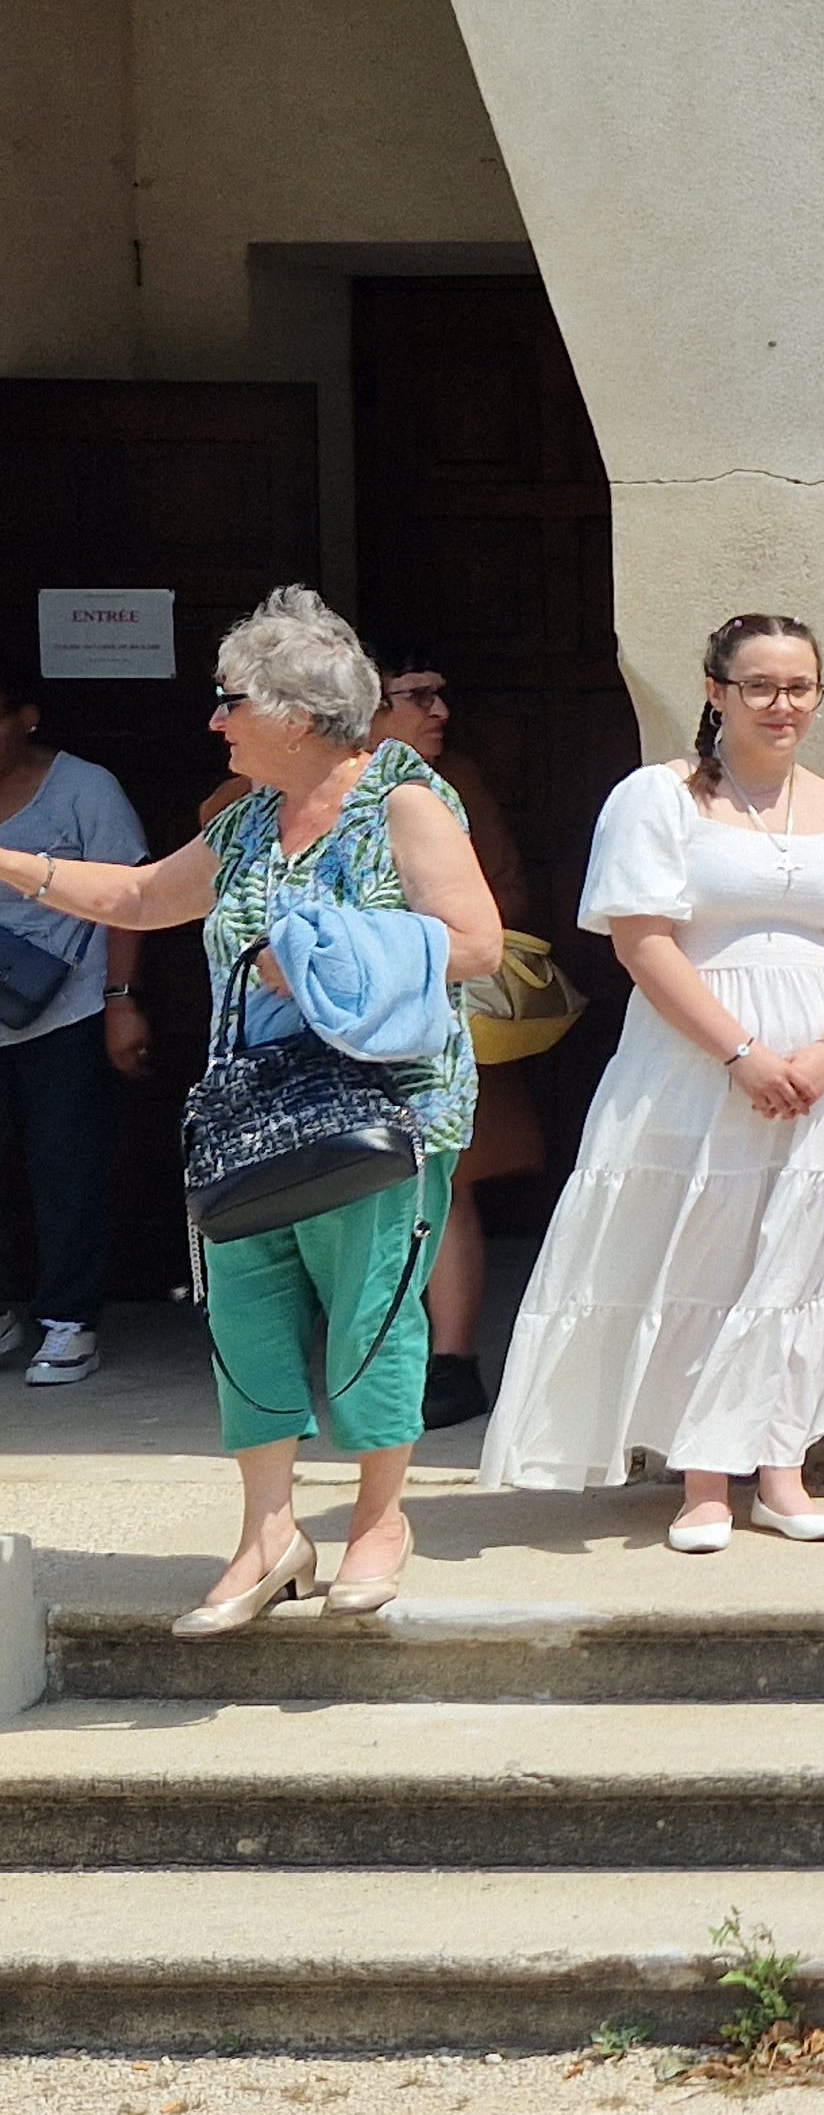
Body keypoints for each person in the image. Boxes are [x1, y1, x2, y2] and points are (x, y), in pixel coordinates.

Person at [0, 589, 499, 1628]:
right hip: (252, 1115)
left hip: (382, 1112)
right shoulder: (245, 821)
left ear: (298, 715)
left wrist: (321, 954)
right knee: (246, 1317)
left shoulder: (403, 800)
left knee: (369, 1314)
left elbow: (474, 943)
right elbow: (142, 898)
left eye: (232, 701)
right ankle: (269, 1536)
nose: (216, 719)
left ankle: (379, 1522)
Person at [479, 615, 824, 1547]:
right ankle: (704, 1479)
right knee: (698, 1259)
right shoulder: (659, 797)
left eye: (800, 687)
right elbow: (643, 942)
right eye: (760, 686)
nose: (782, 705)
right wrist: (742, 1053)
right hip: (695, 1062)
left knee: (800, 1264)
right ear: (717, 692)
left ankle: (783, 1470)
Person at [362, 644, 537, 1427]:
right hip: (333, 1030)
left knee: (445, 1183)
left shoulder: (452, 783)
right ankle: (364, 1358)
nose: (439, 710)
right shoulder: (285, 791)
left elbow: (503, 898)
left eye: (441, 692)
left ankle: (453, 1362)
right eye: (417, 695)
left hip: (436, 1016)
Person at [0, 659, 149, 1390]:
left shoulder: (84, 787)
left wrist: (121, 999)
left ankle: (69, 1320)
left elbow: (130, 896)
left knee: (67, 1169)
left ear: (26, 717)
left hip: (68, 1008)